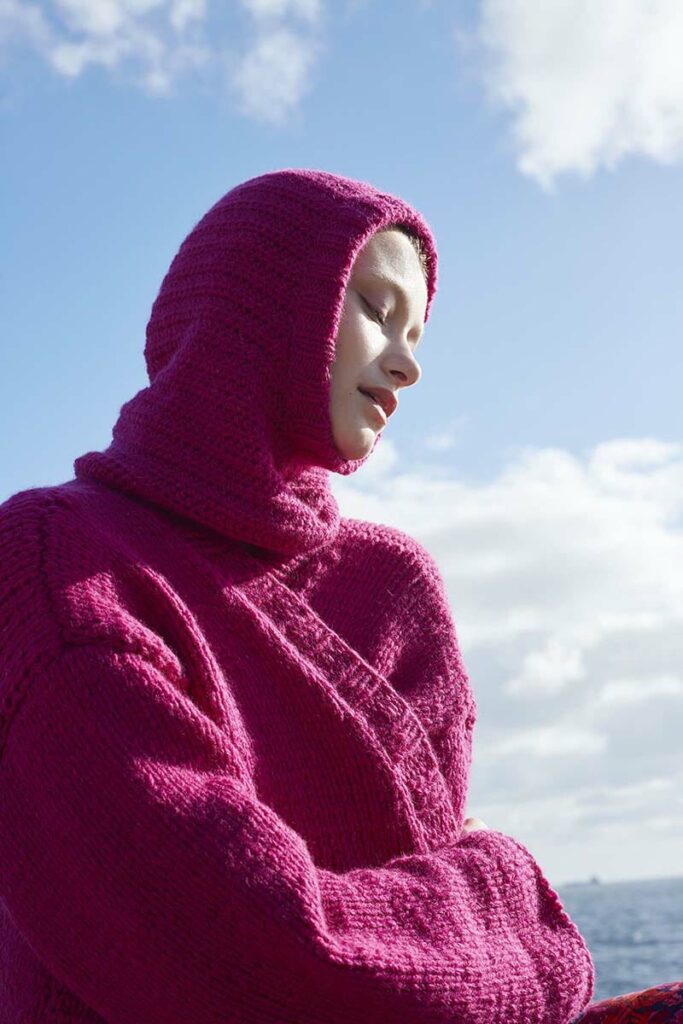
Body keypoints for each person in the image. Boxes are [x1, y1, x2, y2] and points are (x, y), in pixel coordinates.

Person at [0, 168, 676, 1022]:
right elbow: (249, 953)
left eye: (417, 333)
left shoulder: (392, 585)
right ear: (258, 304)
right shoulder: (55, 559)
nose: (407, 364)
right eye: (376, 310)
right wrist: (513, 908)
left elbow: (418, 882)